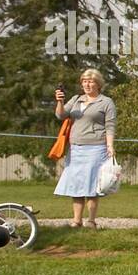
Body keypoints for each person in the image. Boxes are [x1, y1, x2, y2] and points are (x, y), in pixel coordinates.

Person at [53, 68, 116, 229]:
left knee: (92, 186)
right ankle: (76, 220)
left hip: (96, 148)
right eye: (84, 81)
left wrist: (110, 146)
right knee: (76, 186)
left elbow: (110, 125)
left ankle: (91, 221)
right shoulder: (76, 99)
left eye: (91, 81)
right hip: (76, 149)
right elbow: (61, 115)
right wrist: (59, 101)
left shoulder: (106, 102)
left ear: (98, 84)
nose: (87, 84)